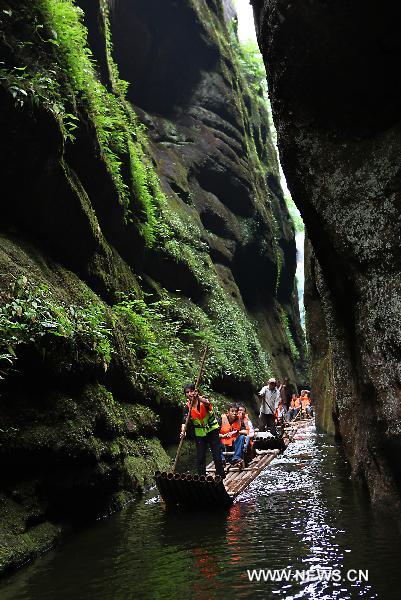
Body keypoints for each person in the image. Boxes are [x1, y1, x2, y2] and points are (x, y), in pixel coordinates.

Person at [181, 383, 225, 478]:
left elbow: (208, 403)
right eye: (187, 392)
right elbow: (184, 421)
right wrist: (182, 431)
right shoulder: (187, 407)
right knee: (200, 457)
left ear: (196, 391)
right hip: (200, 434)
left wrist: (198, 397)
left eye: (191, 391)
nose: (189, 394)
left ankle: (220, 475)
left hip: (212, 431)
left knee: (216, 454)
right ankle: (202, 478)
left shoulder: (203, 400)